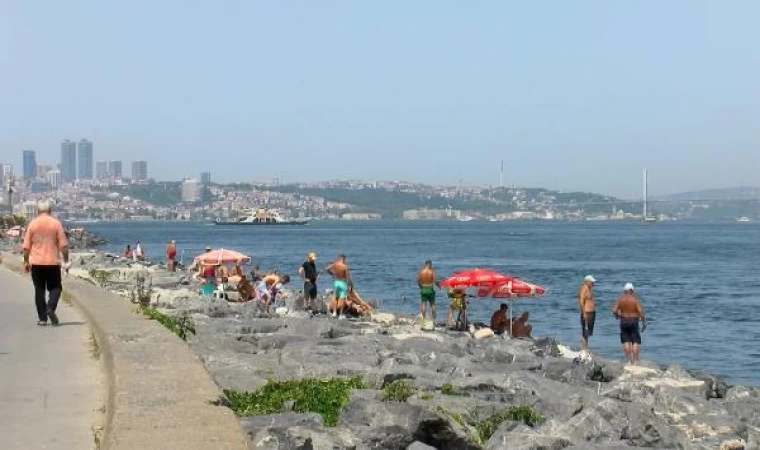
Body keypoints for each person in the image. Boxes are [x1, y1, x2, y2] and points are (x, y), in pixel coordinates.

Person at [22, 200, 70, 326]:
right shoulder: (56, 224)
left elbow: (26, 248)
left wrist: (26, 262)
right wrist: (66, 260)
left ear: (38, 211)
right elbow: (64, 246)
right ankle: (50, 308)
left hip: (36, 263)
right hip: (52, 262)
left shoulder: (32, 224)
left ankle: (42, 319)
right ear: (50, 211)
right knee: (56, 288)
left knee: (39, 290)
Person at [612, 283, 647, 365]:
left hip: (623, 321)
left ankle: (628, 361)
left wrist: (617, 316)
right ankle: (635, 362)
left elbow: (614, 310)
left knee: (626, 341)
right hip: (633, 321)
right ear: (632, 291)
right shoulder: (635, 300)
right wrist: (644, 323)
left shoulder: (620, 299)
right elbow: (640, 312)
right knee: (635, 341)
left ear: (625, 291)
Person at [326, 254, 351, 319]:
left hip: (336, 282)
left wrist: (332, 274)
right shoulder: (345, 266)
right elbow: (348, 278)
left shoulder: (334, 264)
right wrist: (349, 285)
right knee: (342, 298)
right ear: (343, 258)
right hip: (343, 283)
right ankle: (340, 314)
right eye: (345, 259)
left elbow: (327, 269)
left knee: (335, 297)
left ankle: (334, 313)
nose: (345, 261)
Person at [578, 275, 597, 353]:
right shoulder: (584, 289)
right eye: (592, 282)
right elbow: (581, 302)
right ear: (586, 282)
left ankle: (585, 347)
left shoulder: (589, 289)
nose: (593, 283)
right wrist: (584, 313)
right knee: (585, 332)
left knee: (588, 332)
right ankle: (584, 349)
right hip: (587, 313)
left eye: (593, 282)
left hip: (591, 313)